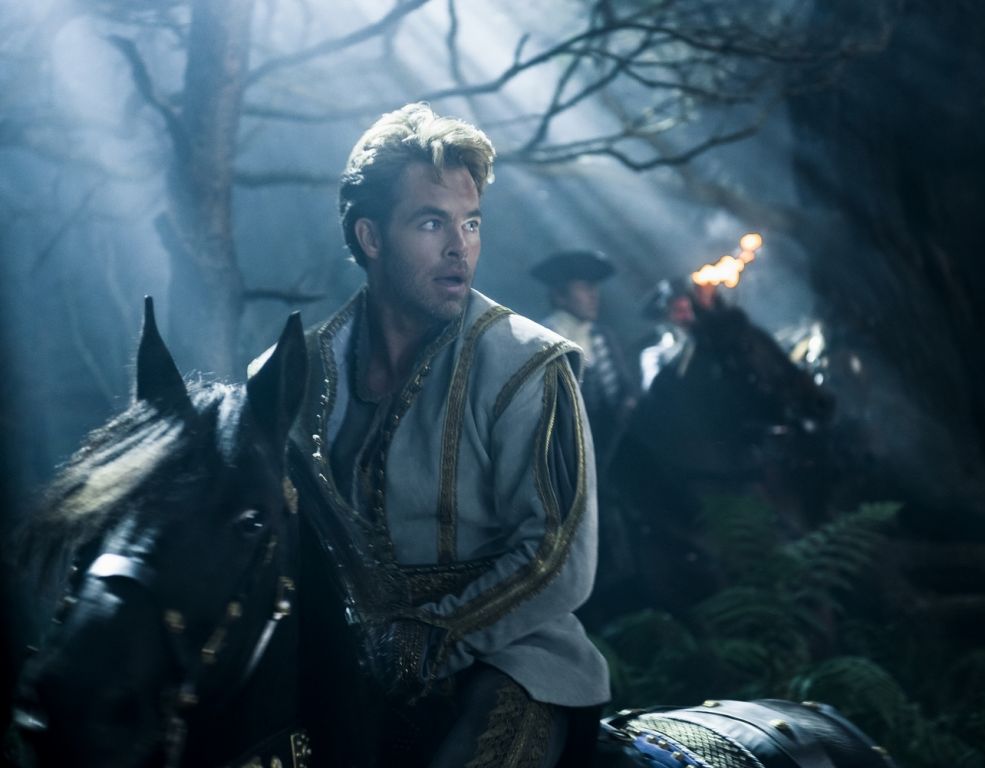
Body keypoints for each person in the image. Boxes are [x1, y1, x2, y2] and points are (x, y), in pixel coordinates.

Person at [252, 103, 608, 767]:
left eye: (471, 223)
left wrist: (435, 633)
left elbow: (559, 556)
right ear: (371, 236)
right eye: (430, 222)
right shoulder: (290, 375)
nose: (459, 247)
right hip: (338, 667)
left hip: (512, 662)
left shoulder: (528, 363)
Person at [529, 250, 637, 463]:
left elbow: (625, 387)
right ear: (560, 296)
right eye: (585, 288)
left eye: (595, 288)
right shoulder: (541, 340)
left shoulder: (602, 335)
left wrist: (628, 403)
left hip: (614, 446)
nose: (594, 295)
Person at [637, 278, 697, 391]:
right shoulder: (653, 352)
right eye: (679, 311)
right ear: (666, 317)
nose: (687, 316)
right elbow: (654, 387)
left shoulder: (700, 338)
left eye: (688, 309)